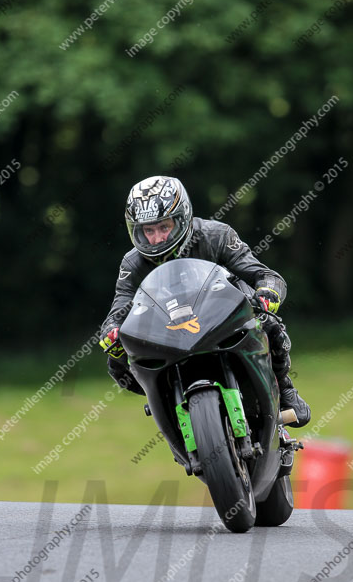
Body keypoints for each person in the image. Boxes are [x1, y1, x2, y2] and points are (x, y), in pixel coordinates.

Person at [99, 176, 310, 427]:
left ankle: (284, 388)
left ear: (182, 217)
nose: (157, 239)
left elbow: (264, 275)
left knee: (268, 322)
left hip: (221, 316)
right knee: (116, 361)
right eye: (148, 230)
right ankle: (164, 397)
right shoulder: (132, 262)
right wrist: (111, 331)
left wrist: (267, 292)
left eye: (164, 227)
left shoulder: (216, 235)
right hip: (169, 329)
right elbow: (121, 305)